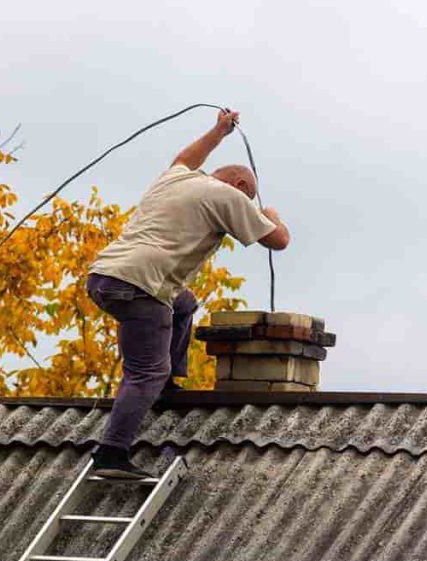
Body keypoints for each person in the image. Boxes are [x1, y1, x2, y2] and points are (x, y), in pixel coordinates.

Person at [86, 109, 291, 478]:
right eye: (250, 198)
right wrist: (271, 214)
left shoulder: (177, 178)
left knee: (184, 302)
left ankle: (166, 382)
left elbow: (185, 157)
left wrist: (218, 131)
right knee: (145, 370)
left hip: (106, 275)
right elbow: (279, 241)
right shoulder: (230, 197)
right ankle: (111, 454)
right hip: (142, 286)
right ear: (242, 188)